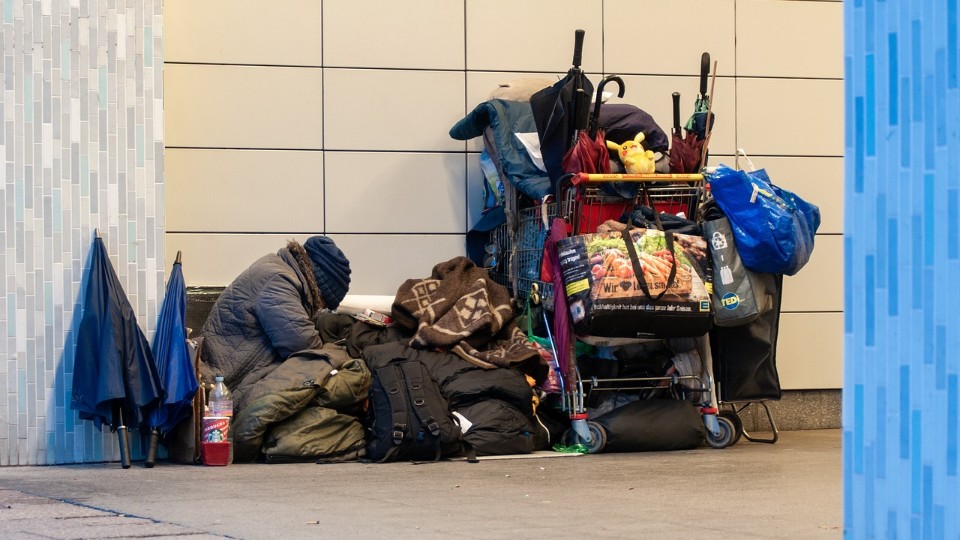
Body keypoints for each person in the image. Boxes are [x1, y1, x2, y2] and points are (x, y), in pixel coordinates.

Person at [197, 236, 351, 410]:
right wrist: (341, 355)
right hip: (222, 388)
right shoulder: (279, 281)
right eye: (323, 303)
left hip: (228, 382)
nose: (319, 309)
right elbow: (304, 346)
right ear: (320, 288)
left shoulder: (278, 269)